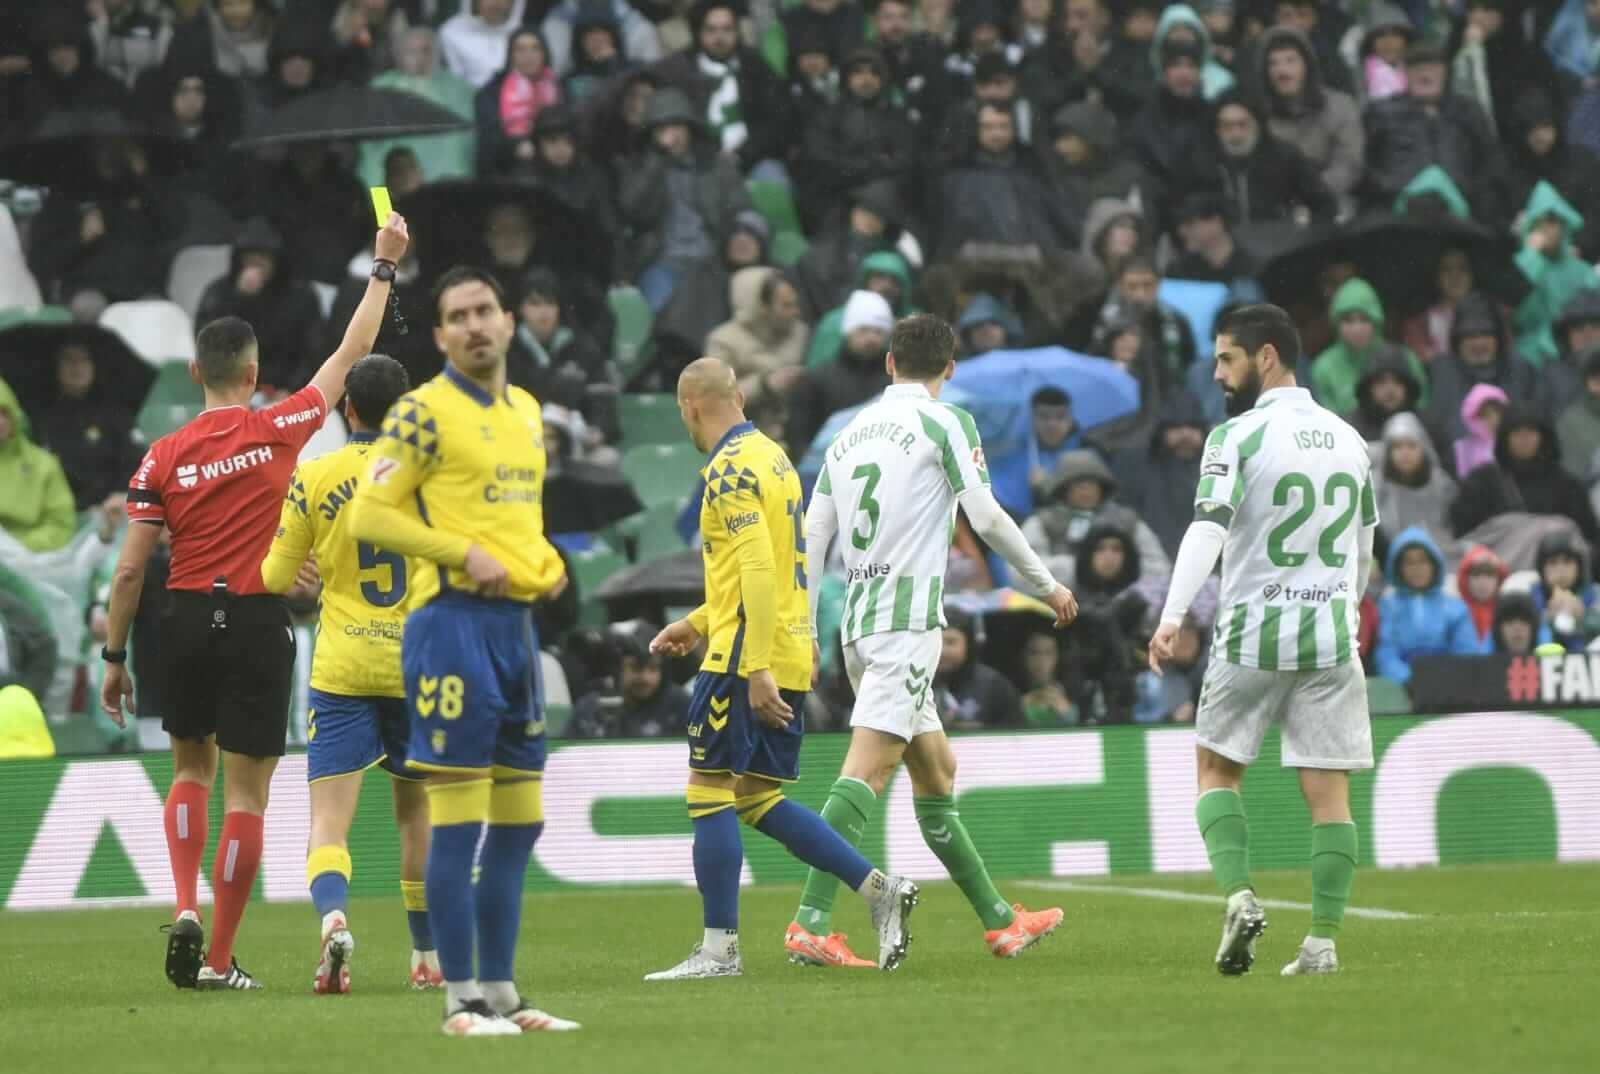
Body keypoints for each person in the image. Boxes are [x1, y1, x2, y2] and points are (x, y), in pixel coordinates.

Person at [98, 214, 409, 992]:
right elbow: (352, 355)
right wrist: (382, 264)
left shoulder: (161, 456)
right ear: (253, 369)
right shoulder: (279, 429)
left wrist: (112, 655)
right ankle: (218, 957)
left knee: (190, 771)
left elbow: (131, 570)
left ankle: (183, 901)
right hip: (256, 618)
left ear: (196, 373)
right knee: (248, 791)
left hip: (178, 620)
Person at [787, 313, 1072, 966]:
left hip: (857, 624)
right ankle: (809, 919)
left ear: (888, 363)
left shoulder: (846, 434)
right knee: (868, 769)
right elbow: (987, 517)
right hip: (906, 624)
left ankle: (1002, 921)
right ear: (950, 368)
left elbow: (813, 539)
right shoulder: (945, 422)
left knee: (937, 772)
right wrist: (1047, 584)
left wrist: (806, 628)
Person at [347, 266, 579, 1036]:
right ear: (442, 334)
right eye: (459, 316)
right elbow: (369, 519)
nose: (475, 324)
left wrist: (546, 566)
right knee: (457, 822)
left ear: (509, 322)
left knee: (522, 822)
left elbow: (521, 519)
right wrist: (458, 552)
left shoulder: (526, 412)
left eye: (486, 310)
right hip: (448, 626)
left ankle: (503, 990)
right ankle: (460, 1000)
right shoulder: (420, 413)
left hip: (514, 629)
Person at [644, 358, 918, 980]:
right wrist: (699, 620)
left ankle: (719, 952)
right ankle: (878, 889)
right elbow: (774, 563)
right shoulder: (775, 458)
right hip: (787, 644)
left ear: (688, 407)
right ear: (739, 396)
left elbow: (760, 572)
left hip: (748, 655)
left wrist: (753, 664)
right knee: (757, 796)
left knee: (707, 793)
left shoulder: (727, 470)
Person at [1149, 304, 1378, 977]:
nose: (1218, 373)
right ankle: (1323, 942)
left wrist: (1172, 614)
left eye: (1227, 358)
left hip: (1254, 632)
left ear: (1266, 356)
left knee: (1217, 773)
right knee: (1329, 794)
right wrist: (1347, 607)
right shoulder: (1350, 439)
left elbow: (1208, 529)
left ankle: (1240, 896)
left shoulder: (1237, 436)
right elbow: (1364, 547)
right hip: (1332, 636)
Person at [258, 354, 441, 995]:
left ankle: (334, 918)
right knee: (416, 815)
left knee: (328, 822)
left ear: (347, 409)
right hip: (417, 666)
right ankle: (426, 956)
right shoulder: (433, 478)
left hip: (342, 669)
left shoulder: (315, 474)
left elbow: (277, 580)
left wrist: (305, 565)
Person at [1374, 526, 1485, 684]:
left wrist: (1442, 678)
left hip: (1450, 688)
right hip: (1403, 690)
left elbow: (1467, 652)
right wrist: (1409, 679)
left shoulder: (1456, 607)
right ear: (1398, 567)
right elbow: (1386, 654)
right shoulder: (1389, 606)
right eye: (1409, 562)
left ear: (1434, 564)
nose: (1416, 568)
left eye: (1422, 561)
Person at [567, 633, 691, 739]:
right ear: (617, 669)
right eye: (636, 668)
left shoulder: (680, 705)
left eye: (653, 668)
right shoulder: (589, 708)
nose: (645, 678)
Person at [990, 385, 1083, 518]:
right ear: (1032, 419)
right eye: (1044, 417)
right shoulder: (1011, 456)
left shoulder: (1085, 454)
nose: (1052, 424)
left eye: (1060, 416)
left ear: (1070, 419)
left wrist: (1049, 486)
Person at [1374, 413, 1457, 552]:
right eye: (1397, 446)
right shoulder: (1375, 487)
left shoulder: (1442, 485)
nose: (1405, 452)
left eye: (1412, 446)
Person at [932, 609, 1024, 729]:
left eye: (951, 642)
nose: (942, 651)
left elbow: (1016, 732)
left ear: (968, 644)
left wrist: (979, 730)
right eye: (936, 641)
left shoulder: (994, 686)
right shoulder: (916, 683)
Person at [1529, 532, 1600, 651]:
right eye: (1553, 562)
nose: (1560, 569)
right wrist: (1548, 619)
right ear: (1541, 568)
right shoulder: (1529, 598)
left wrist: (1583, 618)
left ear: (1579, 566)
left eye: (1567, 561)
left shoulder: (1596, 595)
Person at [1457, 544, 1507, 646]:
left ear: (1499, 580)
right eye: (1476, 575)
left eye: (1489, 575)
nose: (1482, 582)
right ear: (1465, 580)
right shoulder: (1456, 613)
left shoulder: (1506, 612)